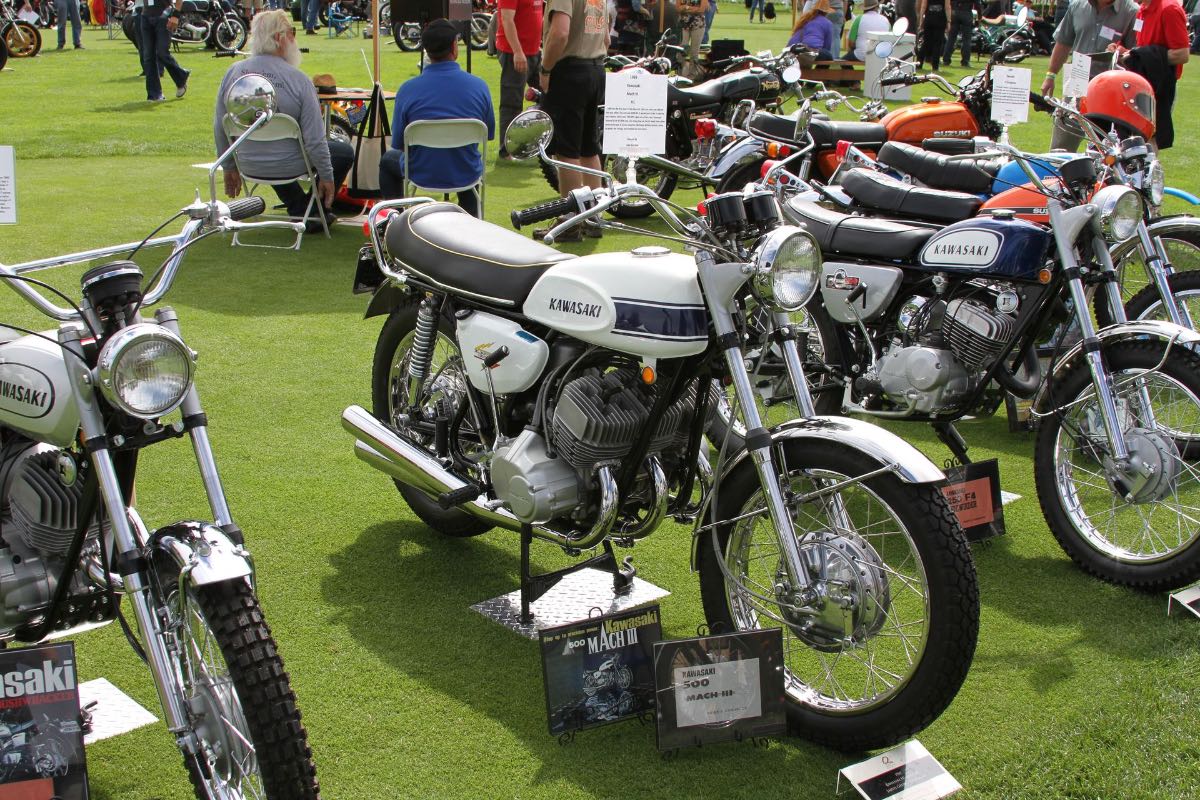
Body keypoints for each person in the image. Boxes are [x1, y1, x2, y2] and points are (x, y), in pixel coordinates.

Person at [213, 10, 354, 231]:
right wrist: (327, 176)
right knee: (342, 152)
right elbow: (315, 141)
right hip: (289, 165)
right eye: (292, 33)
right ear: (279, 38)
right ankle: (310, 211)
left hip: (248, 163)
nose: (294, 39)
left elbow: (220, 126)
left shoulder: (233, 73)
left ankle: (301, 208)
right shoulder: (298, 80)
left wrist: (229, 166)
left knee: (274, 141)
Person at [379, 20, 495, 217]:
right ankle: (473, 223)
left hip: (421, 171)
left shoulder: (408, 90)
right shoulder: (479, 87)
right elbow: (488, 134)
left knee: (388, 161)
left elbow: (398, 143)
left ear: (426, 50)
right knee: (465, 159)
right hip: (465, 171)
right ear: (454, 47)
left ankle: (395, 222)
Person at [537, 0, 608, 241]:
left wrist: (545, 69)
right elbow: (606, 38)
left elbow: (560, 32)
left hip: (569, 71)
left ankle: (569, 222)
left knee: (566, 151)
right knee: (589, 147)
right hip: (596, 68)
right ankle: (594, 216)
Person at [1040, 0, 1138, 150]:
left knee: (1107, 150)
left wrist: (1121, 52)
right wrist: (1050, 75)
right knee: (1061, 147)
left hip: (1110, 91)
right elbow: (1063, 43)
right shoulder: (1077, 6)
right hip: (1077, 84)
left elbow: (1136, 53)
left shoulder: (1132, 11)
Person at [1116, 0, 1189, 148]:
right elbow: (1141, 48)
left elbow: (1182, 54)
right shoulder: (1142, 9)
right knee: (1133, 142)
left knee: (1149, 143)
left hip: (1159, 88)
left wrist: (1141, 56)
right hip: (1139, 84)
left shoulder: (1169, 9)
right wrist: (1123, 52)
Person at [496, 0, 544, 159]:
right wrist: (517, 51)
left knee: (549, 96)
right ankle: (506, 152)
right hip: (515, 53)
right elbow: (507, 19)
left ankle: (546, 145)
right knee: (512, 102)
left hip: (533, 52)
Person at [140, 0, 190, 102]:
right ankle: (154, 94)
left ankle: (181, 77)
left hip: (163, 14)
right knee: (148, 56)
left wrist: (175, 15)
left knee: (162, 52)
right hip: (145, 15)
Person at [943, 0, 980, 66]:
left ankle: (946, 59)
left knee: (951, 38)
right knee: (966, 39)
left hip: (955, 11)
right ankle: (965, 61)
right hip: (967, 13)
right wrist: (979, 17)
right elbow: (977, 4)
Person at [678, 0, 709, 78]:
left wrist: (686, 8)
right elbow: (678, 8)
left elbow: (702, 9)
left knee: (694, 52)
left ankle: (692, 76)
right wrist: (694, 9)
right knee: (681, 50)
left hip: (698, 25)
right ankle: (679, 74)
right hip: (683, 25)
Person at [917, 0, 948, 68]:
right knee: (937, 43)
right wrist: (949, 21)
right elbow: (947, 7)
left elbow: (923, 7)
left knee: (926, 42)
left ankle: (919, 63)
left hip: (929, 18)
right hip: (940, 19)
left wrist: (921, 21)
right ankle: (935, 65)